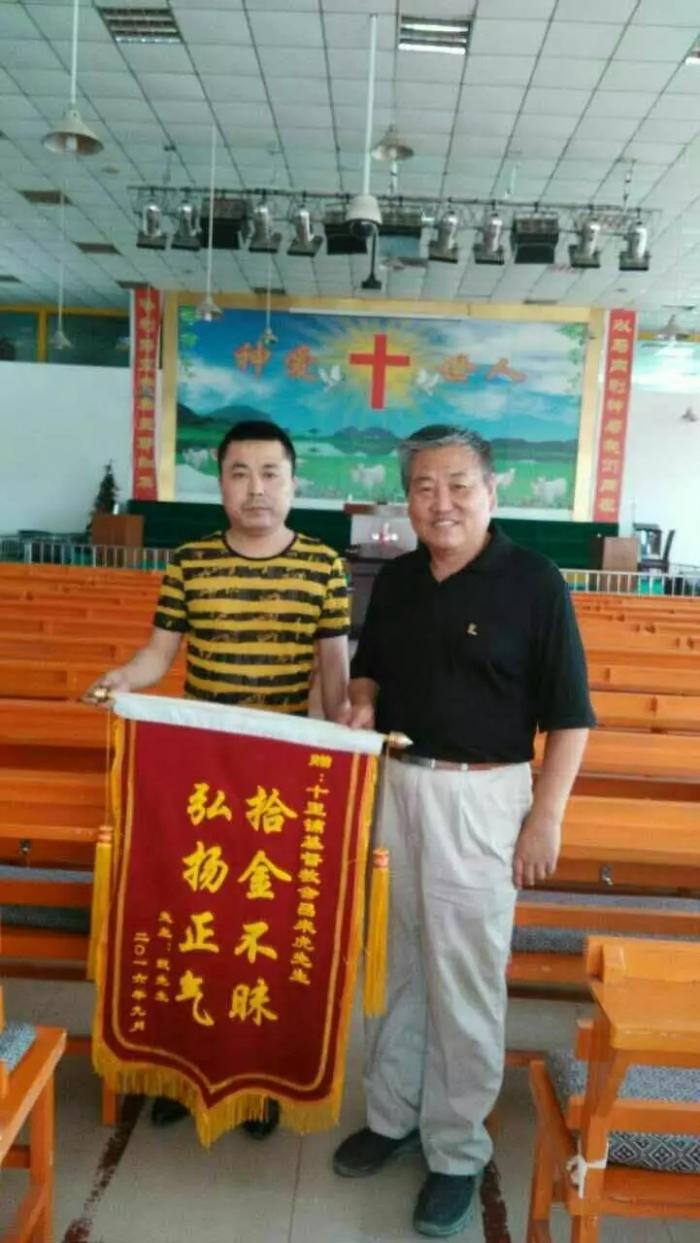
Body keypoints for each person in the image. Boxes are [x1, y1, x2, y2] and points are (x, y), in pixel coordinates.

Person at [332, 425, 594, 1237]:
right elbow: (371, 665)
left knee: (466, 977)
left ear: (492, 489)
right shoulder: (401, 578)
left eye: (457, 485)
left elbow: (571, 716)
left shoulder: (535, 581)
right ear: (404, 496)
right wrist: (364, 700)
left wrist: (544, 816)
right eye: (422, 487)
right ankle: (393, 1111)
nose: (440, 502)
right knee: (396, 958)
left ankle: (455, 1149)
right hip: (398, 789)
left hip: (484, 797)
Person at [85, 418, 350, 1136]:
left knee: (257, 926)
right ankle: (177, 1067)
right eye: (240, 473)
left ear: (294, 482)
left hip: (285, 777)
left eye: (270, 473)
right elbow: (157, 655)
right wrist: (122, 679)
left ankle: (258, 1082)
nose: (256, 488)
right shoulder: (191, 561)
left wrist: (345, 735)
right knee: (192, 918)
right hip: (200, 774)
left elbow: (334, 673)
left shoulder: (323, 565)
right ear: (221, 482)